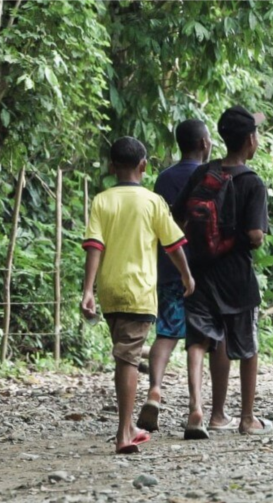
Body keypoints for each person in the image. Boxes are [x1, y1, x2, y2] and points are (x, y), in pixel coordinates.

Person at [81, 136, 196, 454]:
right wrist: (187, 275)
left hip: (110, 291)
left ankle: (129, 426)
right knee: (128, 360)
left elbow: (94, 246)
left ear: (110, 166)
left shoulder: (102, 201)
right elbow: (173, 245)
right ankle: (123, 434)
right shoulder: (153, 202)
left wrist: (88, 290)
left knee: (124, 355)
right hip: (139, 291)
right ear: (144, 166)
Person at [172, 106, 272, 437]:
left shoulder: (203, 174)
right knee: (246, 344)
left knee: (200, 341)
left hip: (200, 271)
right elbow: (256, 236)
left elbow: (178, 218)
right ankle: (246, 418)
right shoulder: (252, 182)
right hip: (236, 276)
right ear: (249, 141)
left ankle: (200, 411)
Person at [137, 119, 235, 433]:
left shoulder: (164, 179)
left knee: (166, 333)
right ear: (206, 143)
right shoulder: (213, 176)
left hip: (168, 268)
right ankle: (198, 408)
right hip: (205, 271)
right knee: (203, 339)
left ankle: (155, 390)